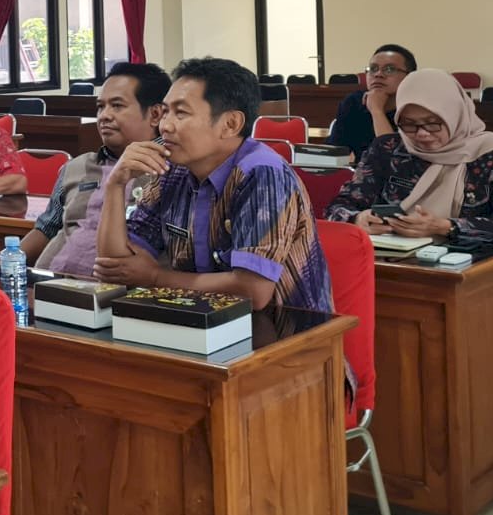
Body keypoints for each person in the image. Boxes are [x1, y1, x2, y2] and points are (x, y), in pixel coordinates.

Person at [94, 57, 335, 326]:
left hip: (284, 339)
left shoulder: (262, 174)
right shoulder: (174, 171)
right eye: (165, 112)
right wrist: (115, 185)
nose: (164, 126)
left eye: (181, 113)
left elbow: (254, 292)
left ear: (230, 124)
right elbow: (115, 268)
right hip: (197, 325)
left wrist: (155, 278)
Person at [327, 69, 493, 245]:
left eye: (433, 122)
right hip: (390, 259)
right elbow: (337, 207)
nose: (422, 134)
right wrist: (357, 219)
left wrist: (445, 227)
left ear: (454, 114)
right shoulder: (388, 149)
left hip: (469, 268)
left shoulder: (492, 154)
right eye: (408, 124)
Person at [26, 62, 170, 275]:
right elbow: (46, 228)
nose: (104, 116)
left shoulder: (172, 172)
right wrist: (7, 265)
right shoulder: (76, 167)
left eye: (117, 106)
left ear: (155, 114)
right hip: (48, 286)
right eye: (101, 106)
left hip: (116, 295)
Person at [329, 44, 416, 161]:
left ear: (409, 77)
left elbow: (394, 163)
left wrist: (376, 111)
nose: (378, 74)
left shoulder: (417, 109)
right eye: (373, 69)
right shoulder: (354, 102)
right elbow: (334, 152)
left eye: (389, 69)